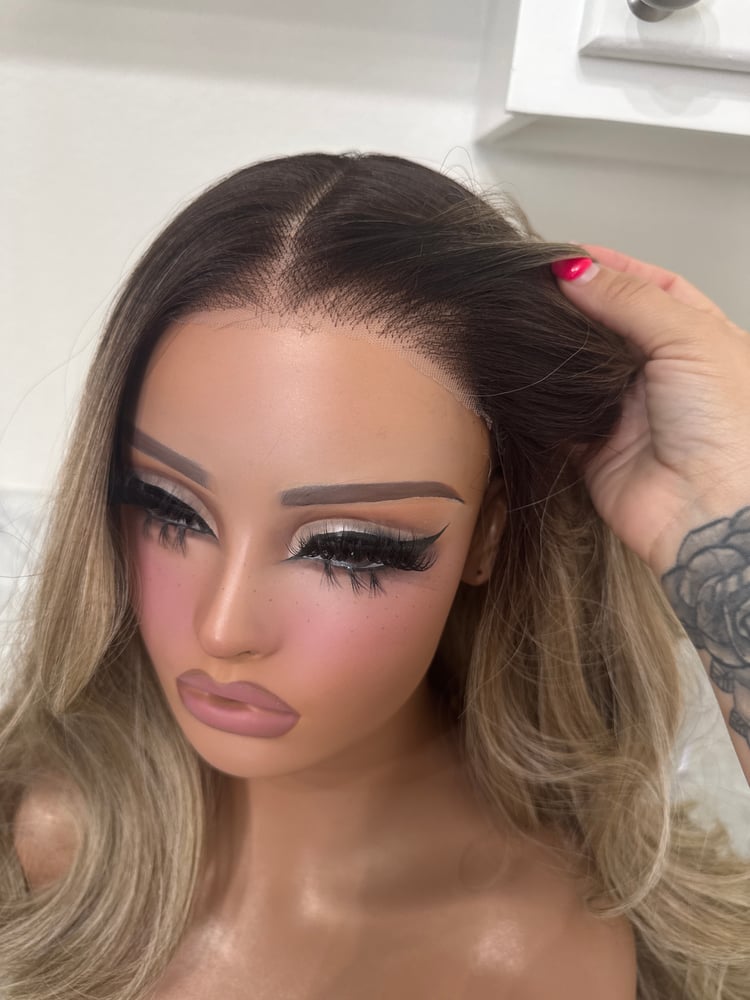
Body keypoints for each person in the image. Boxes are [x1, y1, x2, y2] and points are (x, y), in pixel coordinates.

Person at [1, 152, 748, 1000]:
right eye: (169, 510)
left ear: (488, 535)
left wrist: (722, 506)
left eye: (348, 548)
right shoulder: (24, 853)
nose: (224, 626)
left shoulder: (564, 947)